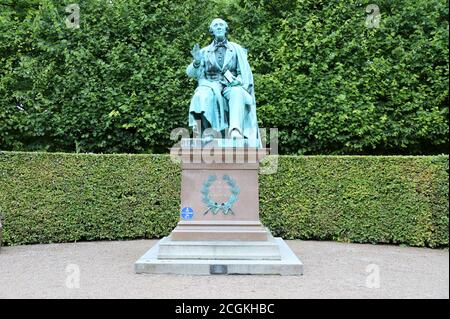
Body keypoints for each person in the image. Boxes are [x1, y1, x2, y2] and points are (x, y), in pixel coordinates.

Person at [186, 18, 261, 147]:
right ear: (212, 30)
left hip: (230, 86)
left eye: (221, 25)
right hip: (210, 84)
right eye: (216, 25)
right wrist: (197, 62)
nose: (219, 27)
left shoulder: (236, 49)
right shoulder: (204, 51)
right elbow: (191, 73)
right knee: (201, 95)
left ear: (226, 29)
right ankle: (208, 132)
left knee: (237, 92)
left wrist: (238, 81)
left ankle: (235, 130)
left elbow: (244, 73)